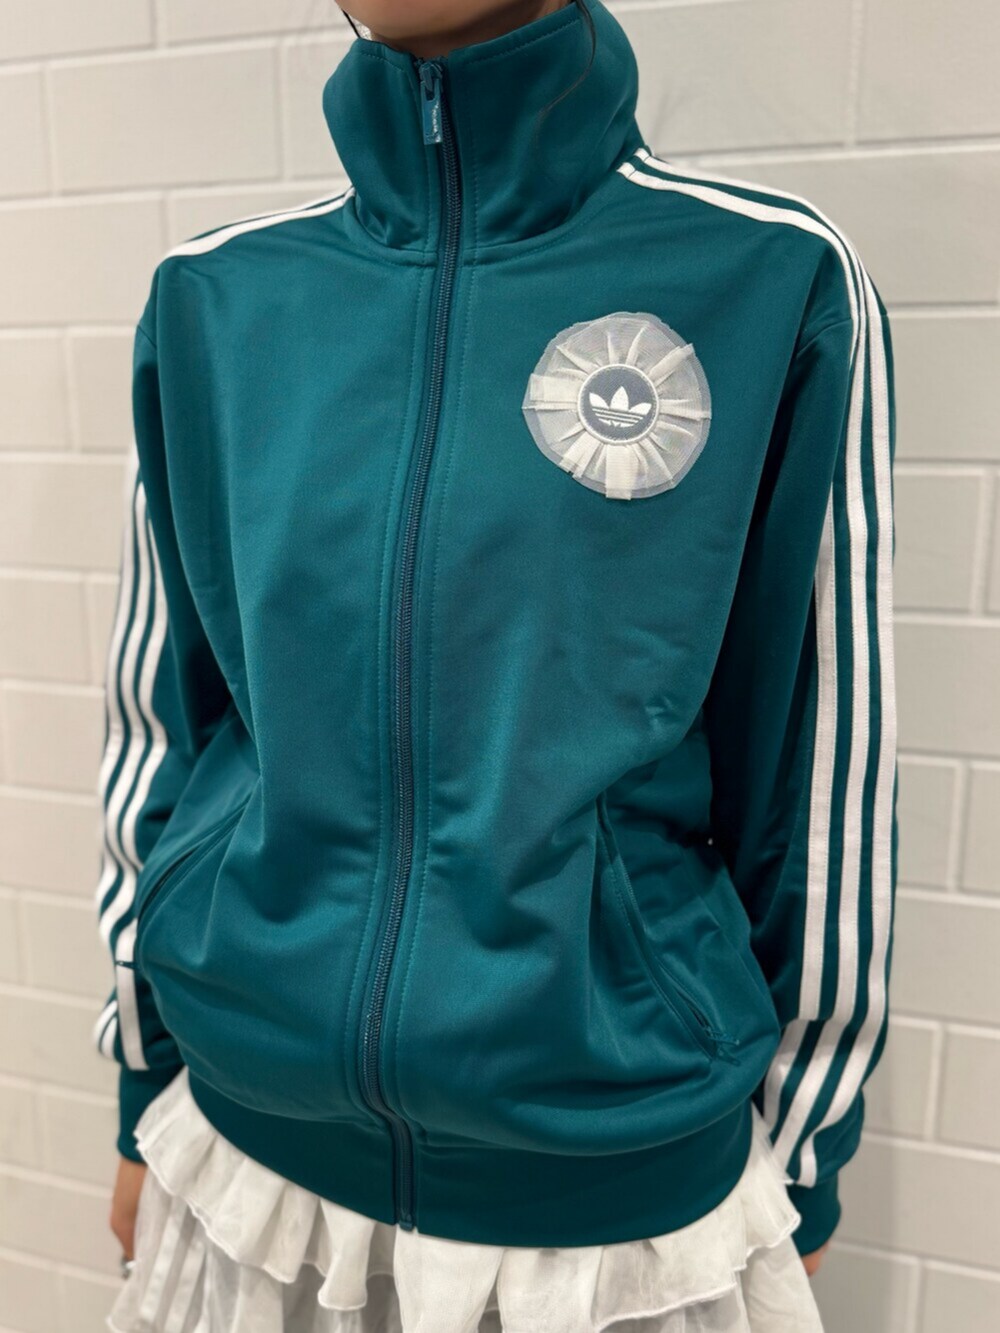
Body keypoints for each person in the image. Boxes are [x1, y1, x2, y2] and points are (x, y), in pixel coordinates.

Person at [92, 1, 898, 1329]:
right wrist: (142, 1080)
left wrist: (804, 1158)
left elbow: (819, 773)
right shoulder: (218, 299)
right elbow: (164, 726)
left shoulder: (766, 277)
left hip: (608, 1220)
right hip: (245, 1170)